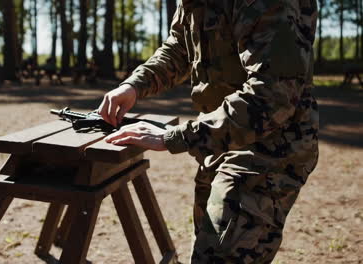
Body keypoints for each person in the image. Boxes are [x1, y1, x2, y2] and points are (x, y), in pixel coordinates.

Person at [98, 0, 319, 262]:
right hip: (219, 142)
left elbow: (273, 95)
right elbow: (180, 46)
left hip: (269, 148)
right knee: (205, 250)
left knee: (215, 256)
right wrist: (134, 85)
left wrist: (176, 137)